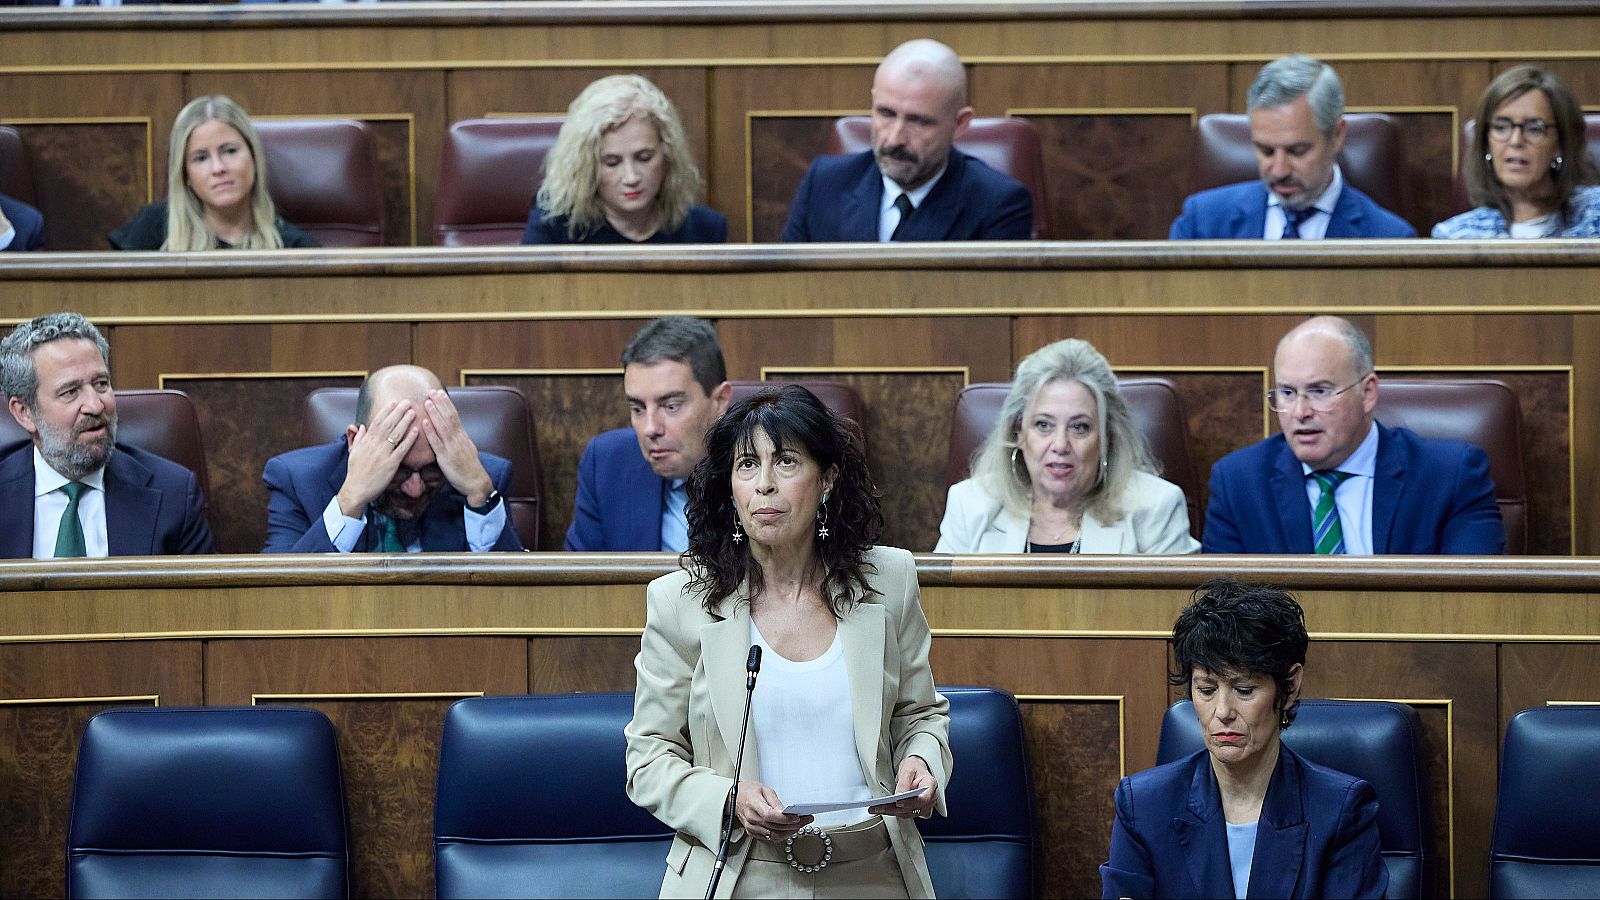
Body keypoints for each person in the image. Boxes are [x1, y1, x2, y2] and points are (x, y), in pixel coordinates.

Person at [626, 385, 950, 898]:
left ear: (826, 480)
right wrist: (728, 799)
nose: (765, 486)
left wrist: (922, 762)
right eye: (748, 465)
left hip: (873, 870)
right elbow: (649, 757)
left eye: (788, 463)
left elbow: (921, 716)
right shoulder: (681, 602)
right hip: (742, 871)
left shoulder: (889, 581)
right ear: (729, 486)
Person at [1099, 578, 1387, 899]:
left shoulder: (1340, 811)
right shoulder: (1143, 806)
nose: (1222, 711)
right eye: (1206, 690)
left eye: (1244, 690)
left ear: (1289, 687)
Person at [1203, 316, 1504, 554]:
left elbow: (1472, 606)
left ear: (1368, 392)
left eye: (1319, 391)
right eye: (1287, 393)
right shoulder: (1239, 482)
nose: (1300, 412)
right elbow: (1222, 618)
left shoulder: (1450, 476)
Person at [936, 338, 1198, 554]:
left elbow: (1176, 614)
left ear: (1106, 437)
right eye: (1043, 425)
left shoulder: (1155, 507)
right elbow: (942, 610)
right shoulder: (970, 504)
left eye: (1079, 427)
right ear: (1019, 432)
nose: (1060, 445)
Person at [0, 312, 214, 558]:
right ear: (24, 412)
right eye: (70, 391)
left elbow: (200, 597)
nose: (96, 405)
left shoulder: (174, 495)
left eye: (101, 384)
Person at [781, 38, 1032, 243]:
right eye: (886, 114)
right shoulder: (824, 182)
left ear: (960, 124)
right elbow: (787, 293)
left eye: (918, 121)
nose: (895, 138)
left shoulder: (999, 204)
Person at [262, 365, 522, 553]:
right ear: (355, 441)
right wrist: (351, 499)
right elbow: (276, 602)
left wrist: (480, 495)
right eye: (398, 469)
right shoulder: (296, 480)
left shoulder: (483, 479)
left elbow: (518, 602)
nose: (415, 488)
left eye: (432, 470)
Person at [1170, 55, 1415, 240]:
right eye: (1266, 151)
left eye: (1297, 151)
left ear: (1337, 135)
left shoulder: (1389, 237)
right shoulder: (1201, 223)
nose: (1278, 170)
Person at [566, 316, 731, 551]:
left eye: (671, 406)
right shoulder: (607, 464)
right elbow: (579, 582)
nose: (650, 428)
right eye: (638, 409)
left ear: (720, 400)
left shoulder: (764, 466)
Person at [523, 75, 727, 244]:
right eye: (612, 163)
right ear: (587, 166)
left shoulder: (706, 231)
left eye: (644, 158)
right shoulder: (552, 227)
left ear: (667, 154)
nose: (631, 177)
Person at [109, 95, 319, 250]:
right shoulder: (153, 228)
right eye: (201, 158)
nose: (218, 168)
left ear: (254, 157)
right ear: (186, 176)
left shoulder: (293, 247)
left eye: (229, 151)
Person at [1434, 65, 1600, 238]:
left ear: (1561, 144)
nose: (1515, 141)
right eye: (1501, 127)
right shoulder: (1457, 235)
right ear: (1486, 142)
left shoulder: (1594, 216)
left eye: (1534, 129)